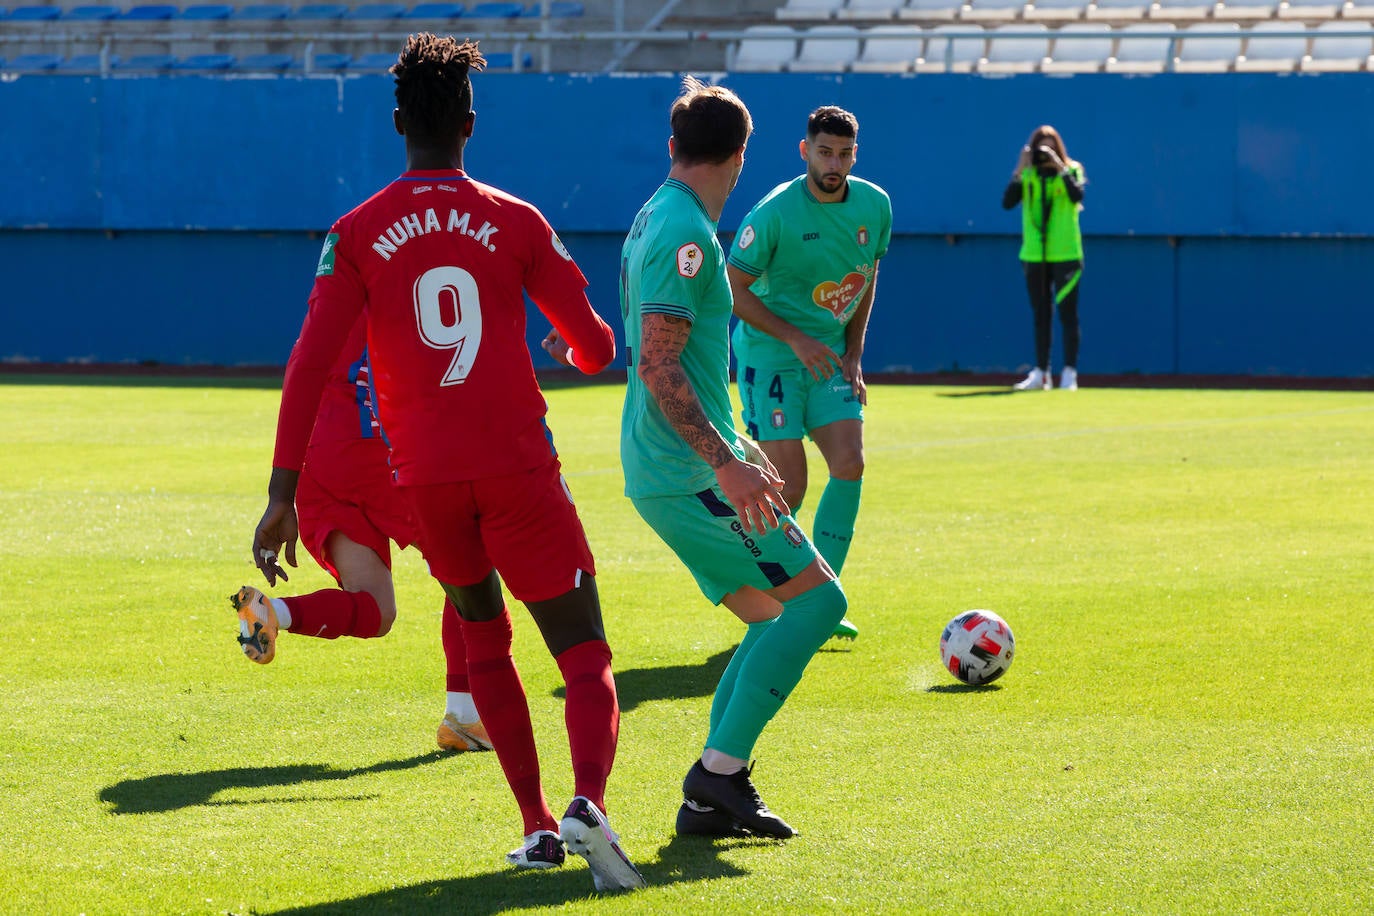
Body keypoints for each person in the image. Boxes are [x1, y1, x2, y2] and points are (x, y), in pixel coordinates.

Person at [244, 33, 643, 892]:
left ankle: (535, 827)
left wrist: (282, 492)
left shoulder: (353, 233)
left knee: (484, 637)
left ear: (397, 124)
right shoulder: (517, 218)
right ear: (470, 121)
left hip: (424, 482)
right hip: (516, 469)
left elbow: (310, 363)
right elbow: (598, 344)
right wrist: (571, 355)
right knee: (583, 652)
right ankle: (589, 802)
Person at [619, 76, 850, 840]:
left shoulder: (661, 211)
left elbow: (672, 363)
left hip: (683, 466)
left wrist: (738, 442)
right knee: (819, 604)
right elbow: (658, 367)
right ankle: (717, 776)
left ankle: (710, 797)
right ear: (742, 156)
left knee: (773, 616)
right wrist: (725, 461)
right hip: (688, 474)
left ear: (674, 147)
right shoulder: (685, 233)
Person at [232, 315, 491, 755]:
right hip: (379, 448)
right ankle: (464, 715)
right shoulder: (403, 269)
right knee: (468, 565)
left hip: (321, 460)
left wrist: (282, 494)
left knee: (376, 610)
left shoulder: (331, 296)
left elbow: (301, 375)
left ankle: (273, 613)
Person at [726, 105, 892, 644]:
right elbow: (734, 290)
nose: (834, 163)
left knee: (849, 462)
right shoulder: (773, 212)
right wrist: (795, 337)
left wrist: (854, 350)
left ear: (855, 155)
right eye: (825, 152)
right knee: (788, 486)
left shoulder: (875, 205)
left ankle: (823, 600)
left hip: (830, 360)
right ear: (805, 151)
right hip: (771, 357)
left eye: (844, 154)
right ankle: (761, 591)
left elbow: (866, 276)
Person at [1002, 124, 1086, 392]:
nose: (1044, 156)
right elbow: (1007, 202)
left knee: (1068, 314)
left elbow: (1077, 195)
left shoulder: (1071, 169)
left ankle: (1070, 373)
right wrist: (1020, 166)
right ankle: (1042, 373)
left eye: (1049, 147)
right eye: (1041, 148)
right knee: (1041, 314)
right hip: (1035, 254)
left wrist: (1059, 166)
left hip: (1066, 252)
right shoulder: (1027, 175)